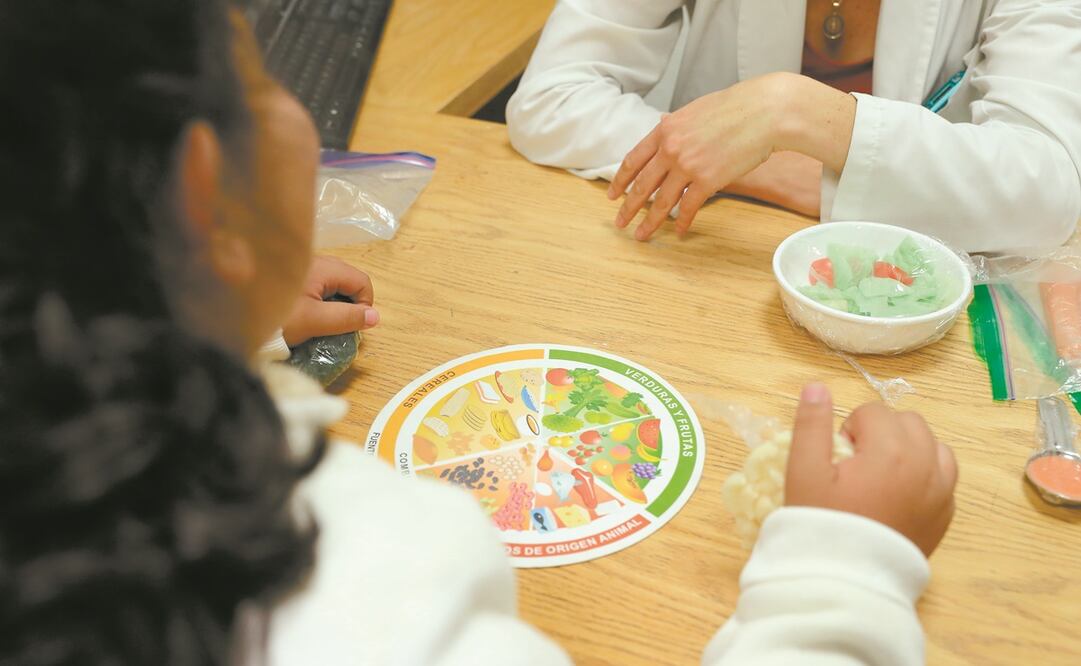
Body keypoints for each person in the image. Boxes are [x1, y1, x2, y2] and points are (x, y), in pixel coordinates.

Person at [0, 1, 956, 664]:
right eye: (265, 76)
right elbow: (555, 102)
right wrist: (843, 575)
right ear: (209, 195)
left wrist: (205, 317)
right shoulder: (386, 585)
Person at [506, 0, 1081, 253]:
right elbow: (552, 97)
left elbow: (1048, 186)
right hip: (707, 253)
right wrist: (783, 171)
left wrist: (792, 109)